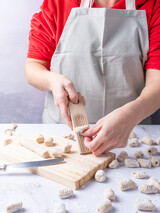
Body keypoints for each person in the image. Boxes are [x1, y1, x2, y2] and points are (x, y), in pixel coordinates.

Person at [25, 0, 160, 156]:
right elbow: (33, 67)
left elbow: (157, 82)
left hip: (132, 138)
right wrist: (52, 80)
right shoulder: (58, 3)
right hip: (63, 138)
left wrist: (131, 116)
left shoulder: (153, 5)